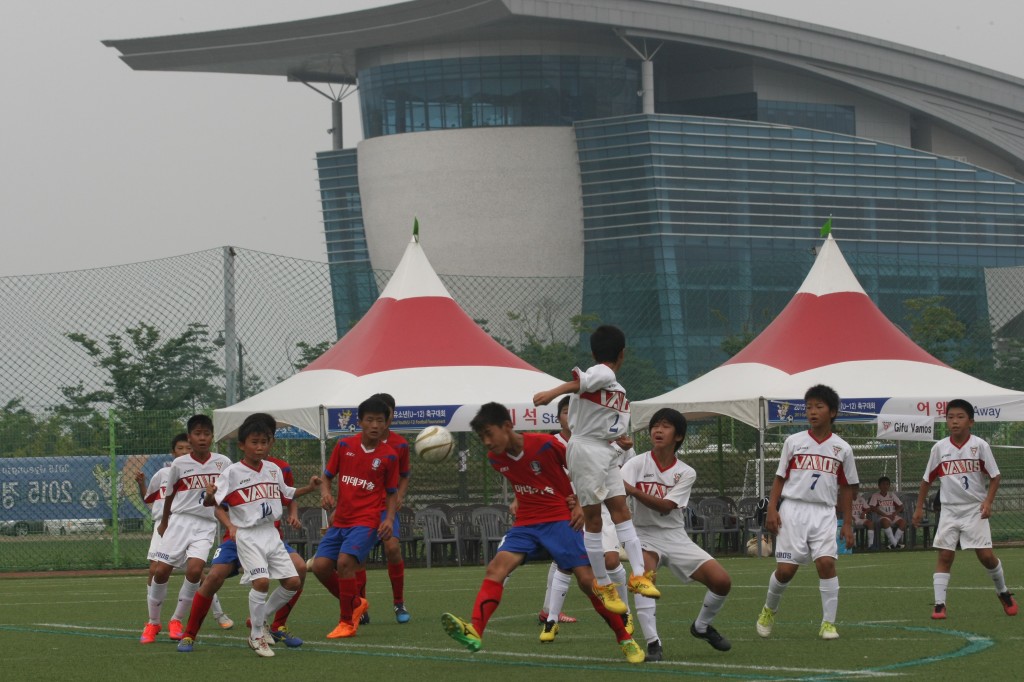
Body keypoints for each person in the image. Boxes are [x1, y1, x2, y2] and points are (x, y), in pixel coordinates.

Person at [440, 402, 645, 664]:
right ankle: (475, 631)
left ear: (507, 426)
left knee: (586, 581)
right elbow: (524, 480)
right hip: (526, 524)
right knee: (496, 569)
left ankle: (624, 639)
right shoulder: (496, 458)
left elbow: (583, 468)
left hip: (560, 521)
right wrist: (517, 498)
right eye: (481, 437)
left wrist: (581, 503)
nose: (487, 442)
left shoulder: (546, 445)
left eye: (489, 433)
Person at [533, 324, 659, 614]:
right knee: (594, 520)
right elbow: (579, 382)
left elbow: (604, 419)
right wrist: (552, 393)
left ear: (592, 350)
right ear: (623, 354)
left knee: (620, 511)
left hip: (604, 449)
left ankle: (639, 576)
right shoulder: (606, 372)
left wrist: (618, 438)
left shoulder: (617, 389)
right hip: (587, 449)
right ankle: (602, 583)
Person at [177, 413, 310, 652]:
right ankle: (189, 634)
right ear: (244, 442)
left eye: (266, 439)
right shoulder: (234, 472)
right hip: (239, 536)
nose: (260, 445)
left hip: (270, 536)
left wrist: (295, 510)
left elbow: (287, 495)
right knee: (215, 577)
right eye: (255, 439)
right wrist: (230, 526)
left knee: (298, 570)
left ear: (272, 440)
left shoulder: (278, 468)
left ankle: (274, 625)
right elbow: (216, 504)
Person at [621, 408, 733, 662]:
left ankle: (701, 626)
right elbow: (615, 494)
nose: (658, 430)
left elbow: (666, 507)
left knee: (722, 582)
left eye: (666, 426)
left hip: (675, 536)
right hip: (643, 534)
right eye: (655, 426)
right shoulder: (636, 463)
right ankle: (653, 644)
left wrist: (634, 491)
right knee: (644, 580)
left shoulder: (685, 472)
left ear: (679, 436)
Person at [756, 384, 859, 641]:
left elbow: (847, 488)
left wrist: (847, 523)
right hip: (793, 509)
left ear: (832, 412)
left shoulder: (843, 449)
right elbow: (780, 478)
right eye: (809, 407)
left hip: (824, 512)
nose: (812, 412)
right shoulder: (793, 442)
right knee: (786, 571)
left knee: (826, 563)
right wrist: (772, 508)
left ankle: (828, 623)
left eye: (819, 407)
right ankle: (769, 608)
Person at [912, 399, 1018, 620]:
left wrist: (987, 502)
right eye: (950, 417)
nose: (954, 421)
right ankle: (940, 604)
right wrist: (919, 507)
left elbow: (995, 476)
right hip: (949, 510)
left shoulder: (979, 446)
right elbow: (926, 480)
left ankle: (1003, 592)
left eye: (960, 417)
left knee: (986, 557)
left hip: (974, 509)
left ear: (971, 421)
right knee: (945, 555)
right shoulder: (939, 448)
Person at [311, 396, 400, 638]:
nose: (374, 425)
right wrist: (327, 493)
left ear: (386, 424)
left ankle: (347, 622)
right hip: (341, 519)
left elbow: (392, 493)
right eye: (369, 420)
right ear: (359, 422)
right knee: (320, 567)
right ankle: (356, 602)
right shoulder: (343, 446)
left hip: (367, 520)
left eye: (380, 421)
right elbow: (327, 476)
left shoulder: (390, 456)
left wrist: (389, 519)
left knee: (344, 563)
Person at [141, 415, 231, 644]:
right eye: (198, 434)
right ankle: (153, 622)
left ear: (212, 437)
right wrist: (164, 520)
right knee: (160, 572)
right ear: (190, 437)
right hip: (178, 521)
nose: (202, 438)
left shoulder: (224, 463)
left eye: (207, 434)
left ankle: (176, 620)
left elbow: (228, 494)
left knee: (195, 570)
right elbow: (169, 493)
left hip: (206, 523)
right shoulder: (179, 465)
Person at [355, 393, 412, 625]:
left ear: (390, 416)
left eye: (384, 415)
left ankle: (399, 603)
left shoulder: (400, 444)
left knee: (393, 548)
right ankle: (361, 604)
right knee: (358, 556)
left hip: (385, 508)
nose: (379, 422)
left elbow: (405, 475)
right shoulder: (357, 443)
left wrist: (400, 494)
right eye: (373, 418)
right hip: (361, 508)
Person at [869, 476, 906, 549]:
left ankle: (893, 544)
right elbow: (873, 508)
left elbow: (901, 506)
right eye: (883, 484)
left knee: (903, 522)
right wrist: (886, 515)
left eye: (887, 484)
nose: (885, 486)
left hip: (892, 516)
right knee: (885, 521)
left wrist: (895, 513)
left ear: (889, 486)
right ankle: (895, 544)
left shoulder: (891, 495)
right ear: (879, 486)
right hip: (881, 517)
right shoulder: (875, 496)